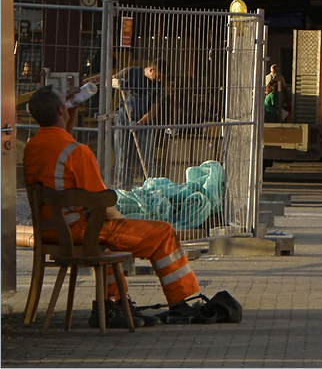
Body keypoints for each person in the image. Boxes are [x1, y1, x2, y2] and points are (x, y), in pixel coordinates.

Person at [22, 85, 201, 329]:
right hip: (78, 230)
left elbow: (58, 143)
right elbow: (103, 203)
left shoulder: (32, 147)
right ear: (60, 110)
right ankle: (180, 301)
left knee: (105, 246)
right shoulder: (78, 152)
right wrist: (121, 222)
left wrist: (69, 113)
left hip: (49, 230)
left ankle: (116, 304)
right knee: (163, 232)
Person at [112, 60, 165, 187]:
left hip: (144, 123)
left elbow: (153, 110)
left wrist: (140, 123)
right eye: (158, 76)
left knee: (146, 157)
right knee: (123, 156)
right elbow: (110, 81)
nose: (158, 80)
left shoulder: (159, 86)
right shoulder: (130, 72)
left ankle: (151, 188)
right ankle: (123, 189)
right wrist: (116, 83)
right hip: (123, 120)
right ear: (151, 70)